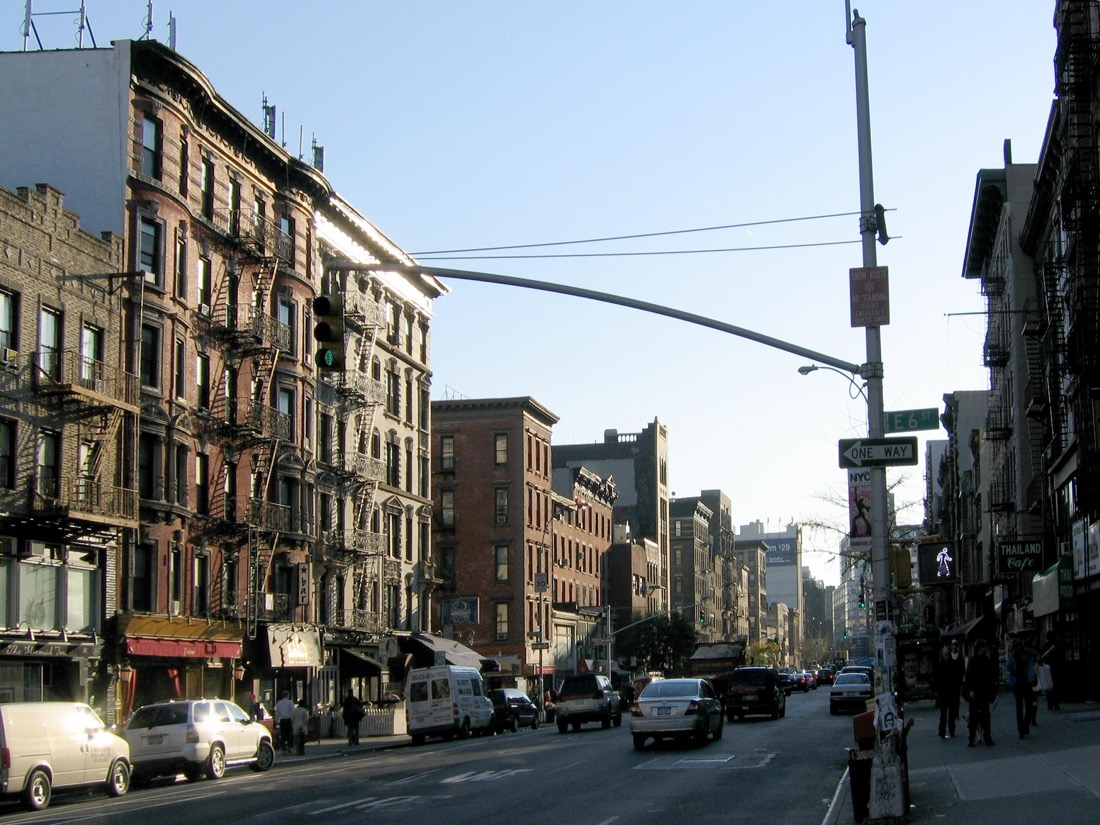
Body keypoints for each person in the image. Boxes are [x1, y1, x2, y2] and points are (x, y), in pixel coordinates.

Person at [962, 639, 996, 747]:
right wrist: (970, 690)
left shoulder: (986, 660)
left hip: (984, 692)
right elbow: (968, 677)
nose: (985, 649)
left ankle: (986, 737)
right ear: (980, 648)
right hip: (975, 693)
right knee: (973, 717)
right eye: (983, 647)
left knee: (985, 715)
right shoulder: (973, 661)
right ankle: (972, 739)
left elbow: (990, 675)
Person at [1007, 637, 1038, 739]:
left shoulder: (1018, 654)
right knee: (1025, 706)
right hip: (1022, 683)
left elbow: (1009, 668)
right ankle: (1023, 728)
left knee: (1023, 707)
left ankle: (1023, 728)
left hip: (1022, 683)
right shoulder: (1017, 655)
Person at [933, 640, 965, 739]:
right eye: (945, 654)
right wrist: (936, 690)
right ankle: (942, 730)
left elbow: (956, 677)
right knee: (943, 713)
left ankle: (951, 729)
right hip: (943, 692)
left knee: (951, 712)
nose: (946, 656)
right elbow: (936, 679)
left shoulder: (952, 665)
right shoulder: (939, 665)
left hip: (951, 691)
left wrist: (956, 688)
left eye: (947, 654)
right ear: (942, 655)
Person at [1040, 631, 1062, 711]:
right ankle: (1056, 704)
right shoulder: (1057, 645)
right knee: (1055, 686)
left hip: (1047, 668)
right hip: (1056, 668)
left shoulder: (1045, 646)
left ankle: (1050, 703)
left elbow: (1042, 657)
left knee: (1049, 686)